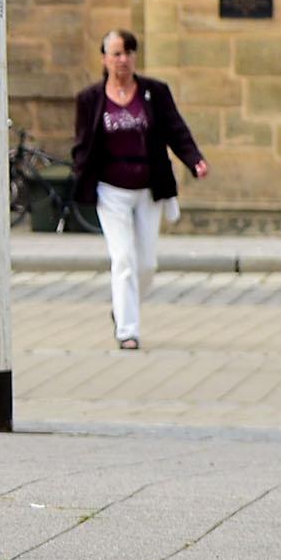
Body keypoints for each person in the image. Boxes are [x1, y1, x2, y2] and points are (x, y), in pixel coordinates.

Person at [71, 28, 206, 351]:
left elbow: (176, 129)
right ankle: (127, 330)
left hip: (148, 188)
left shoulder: (154, 92)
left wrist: (194, 159)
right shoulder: (90, 99)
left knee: (146, 265)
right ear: (104, 58)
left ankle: (122, 307)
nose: (123, 60)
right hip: (111, 190)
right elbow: (82, 143)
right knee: (124, 259)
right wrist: (80, 172)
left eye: (129, 53)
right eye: (116, 54)